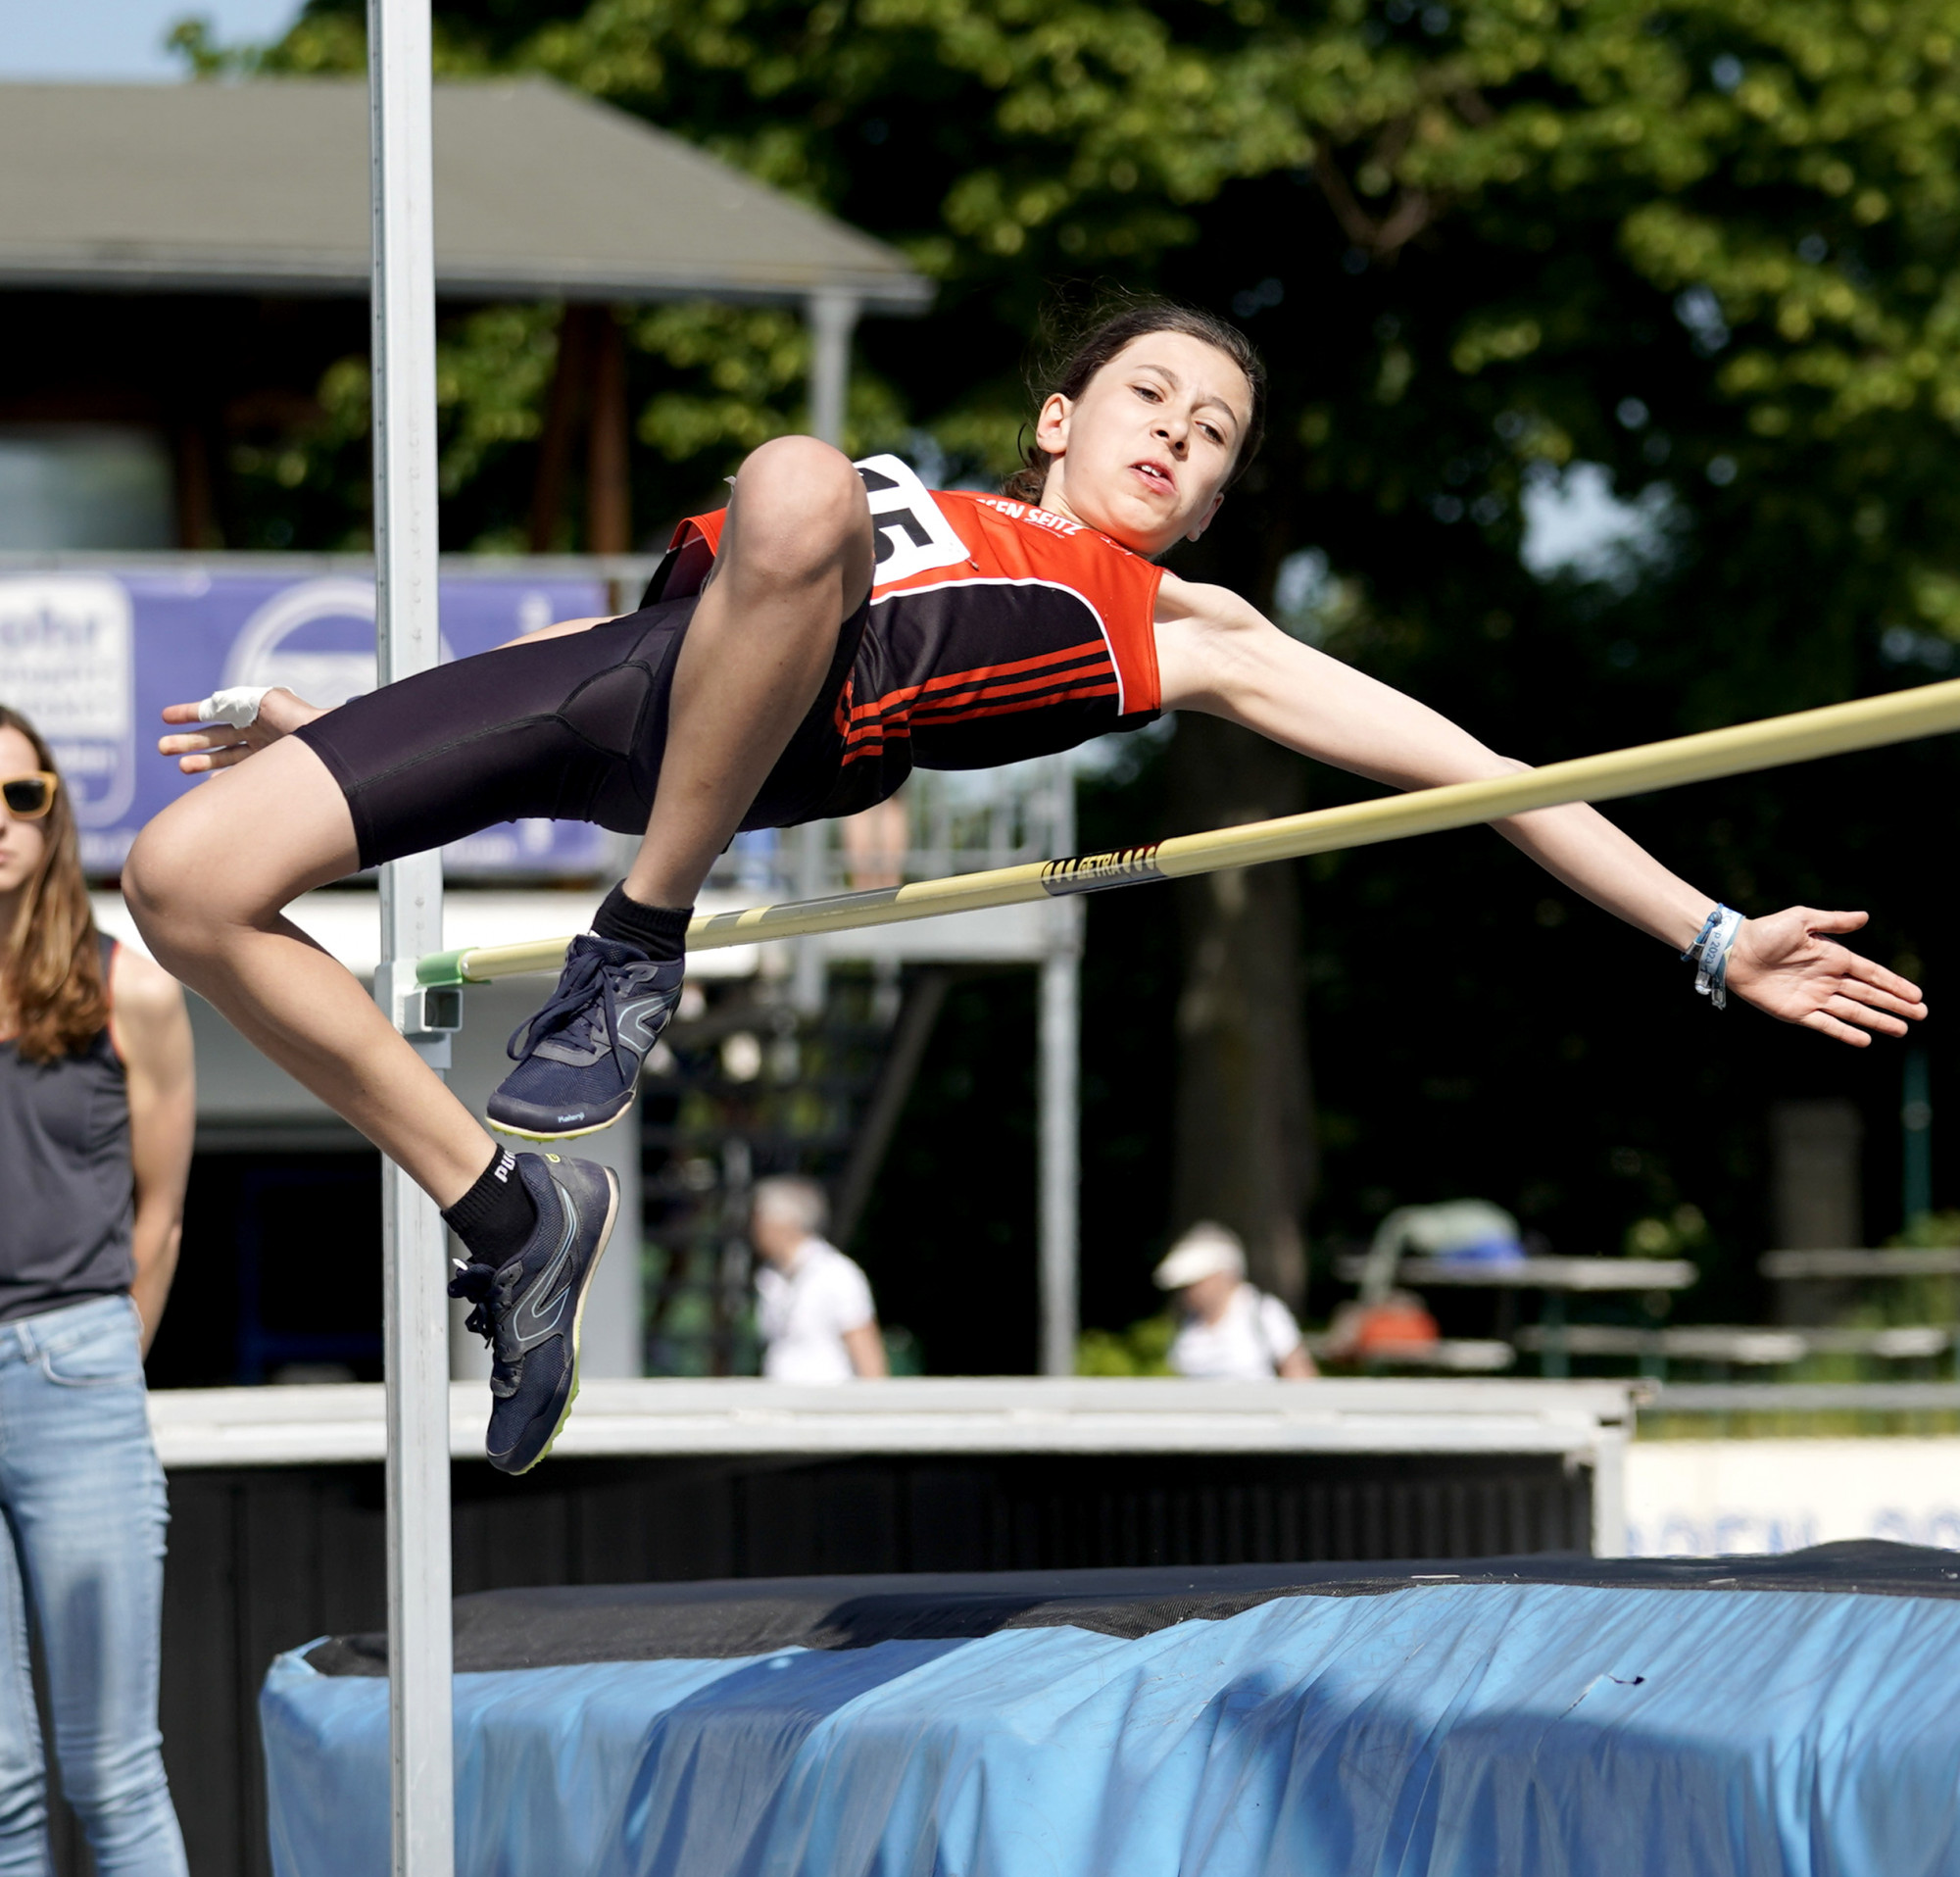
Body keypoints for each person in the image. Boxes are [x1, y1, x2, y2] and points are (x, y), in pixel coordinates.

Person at [123, 297, 1926, 1476]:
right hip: (627, 683)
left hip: (781, 724)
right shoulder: (932, 491)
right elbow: (648, 649)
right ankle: (509, 1220)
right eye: (1154, 397)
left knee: (800, 477)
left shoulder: (1192, 629)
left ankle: (635, 948)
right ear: (1058, 419)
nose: (1180, 437)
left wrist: (1705, 932)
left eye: (1215, 436)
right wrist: (335, 731)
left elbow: (1488, 771)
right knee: (190, 882)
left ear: (1213, 505)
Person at [0, 708, 196, 1877]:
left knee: (113, 1774)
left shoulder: (132, 985)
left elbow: (163, 1211)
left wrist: (108, 1366)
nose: (2, 821)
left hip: (75, 1373)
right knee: (1, 1790)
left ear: (54, 809)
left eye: (23, 795)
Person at [749, 1176, 889, 1382]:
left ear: (784, 1223)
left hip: (829, 1405)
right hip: (782, 1404)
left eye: (760, 1219)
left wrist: (877, 1407)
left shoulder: (836, 1273)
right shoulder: (770, 1277)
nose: (755, 1229)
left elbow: (865, 1348)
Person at [1153, 1222, 1315, 1381]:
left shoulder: (1262, 1311)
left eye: (1197, 1282)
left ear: (1223, 1275)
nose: (1189, 1292)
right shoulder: (1186, 1323)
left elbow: (1298, 1372)